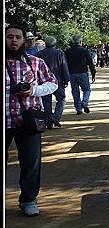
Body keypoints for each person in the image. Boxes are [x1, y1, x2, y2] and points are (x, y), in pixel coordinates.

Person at [5, 25, 58, 217]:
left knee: (30, 163)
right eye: (9, 37)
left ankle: (28, 200)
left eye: (17, 37)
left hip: (27, 121)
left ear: (24, 40)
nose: (13, 40)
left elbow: (53, 83)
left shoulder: (35, 62)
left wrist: (34, 90)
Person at [33, 36, 70, 129]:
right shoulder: (59, 53)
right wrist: (66, 79)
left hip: (43, 82)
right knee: (61, 99)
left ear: (45, 44)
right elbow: (64, 67)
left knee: (46, 103)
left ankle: (48, 123)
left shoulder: (39, 54)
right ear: (55, 44)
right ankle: (55, 117)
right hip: (58, 82)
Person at [65, 35, 96, 115]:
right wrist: (93, 73)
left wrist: (65, 75)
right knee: (87, 90)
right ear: (80, 41)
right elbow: (90, 62)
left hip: (72, 73)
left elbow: (65, 64)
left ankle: (78, 109)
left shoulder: (68, 51)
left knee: (75, 92)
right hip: (83, 73)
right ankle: (84, 103)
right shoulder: (84, 50)